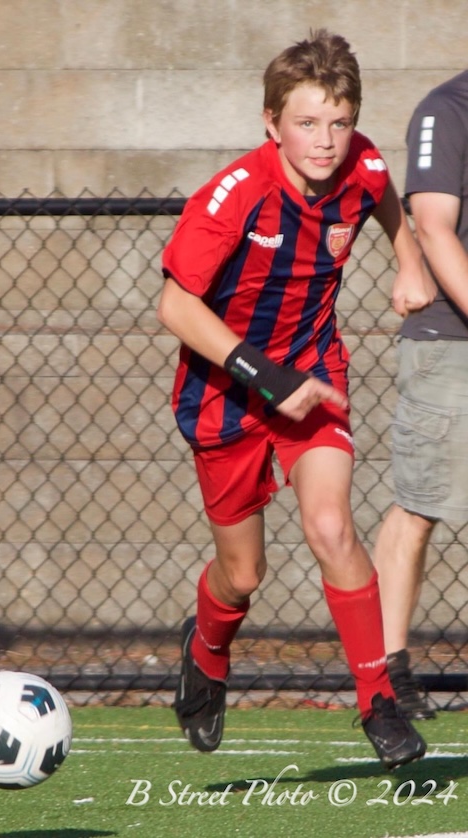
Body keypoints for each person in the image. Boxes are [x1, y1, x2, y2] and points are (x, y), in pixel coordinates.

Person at [157, 29, 435, 770]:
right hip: (225, 392)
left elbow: (382, 192)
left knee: (330, 526)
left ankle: (378, 702)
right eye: (307, 123)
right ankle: (206, 650)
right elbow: (175, 305)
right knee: (243, 575)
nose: (326, 141)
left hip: (313, 373)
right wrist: (264, 378)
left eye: (339, 123)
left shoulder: (361, 164)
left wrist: (407, 257)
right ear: (272, 123)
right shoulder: (234, 195)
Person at [373, 69, 468, 721]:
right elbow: (433, 227)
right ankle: (387, 673)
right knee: (420, 505)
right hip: (450, 343)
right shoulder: (448, 108)